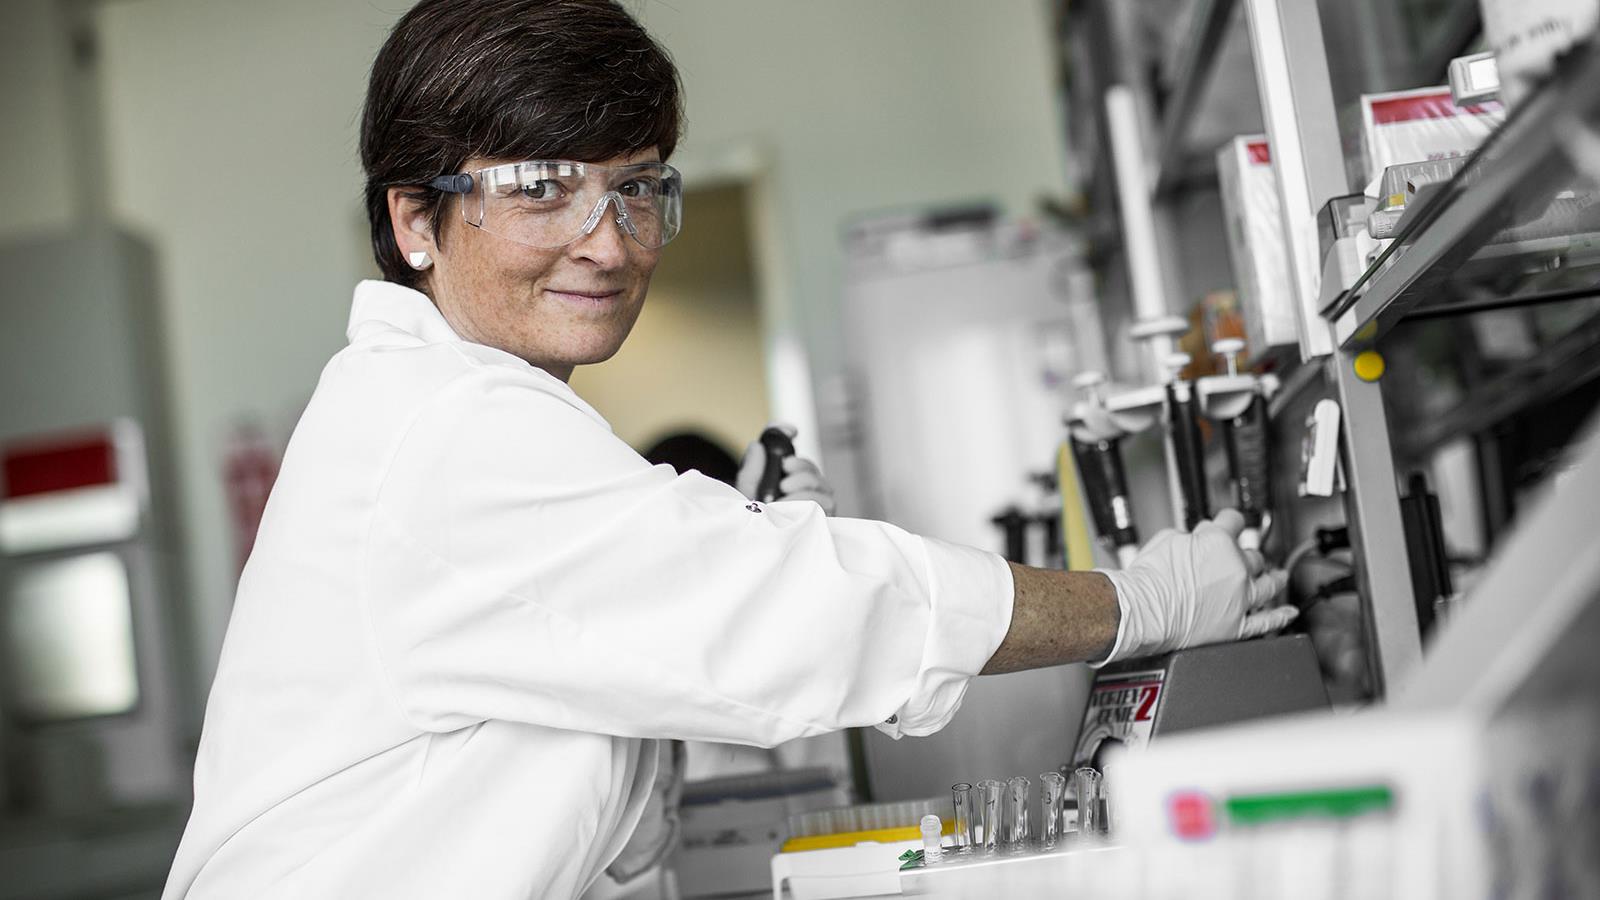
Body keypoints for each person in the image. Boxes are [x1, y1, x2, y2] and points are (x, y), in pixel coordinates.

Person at [161, 1, 1295, 897]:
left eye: (638, 189)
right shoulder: (448, 429)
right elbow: (807, 612)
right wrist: (1137, 603)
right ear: (416, 219)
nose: (605, 244)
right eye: (540, 191)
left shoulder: (459, 412)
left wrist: (726, 534)